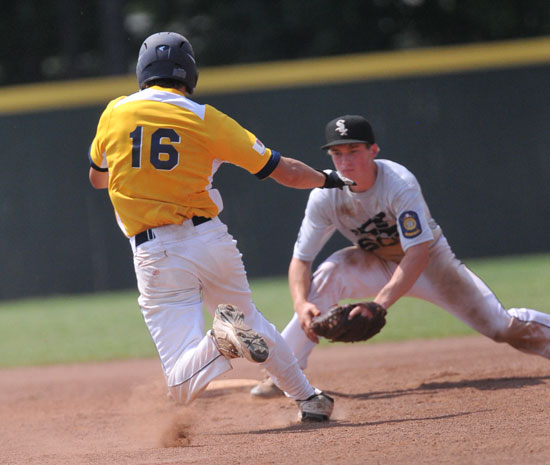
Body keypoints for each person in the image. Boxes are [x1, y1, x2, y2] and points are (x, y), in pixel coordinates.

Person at [87, 32, 353, 422]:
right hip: (210, 240)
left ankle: (220, 340)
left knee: (181, 385)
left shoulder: (114, 112)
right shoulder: (206, 119)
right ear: (189, 73)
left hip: (157, 254)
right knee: (252, 320)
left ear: (143, 72)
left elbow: (97, 178)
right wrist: (328, 178)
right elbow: (287, 172)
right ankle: (308, 398)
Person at [250, 114, 550, 398]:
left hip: (431, 265)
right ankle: (284, 374)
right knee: (331, 273)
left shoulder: (398, 183)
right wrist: (301, 304)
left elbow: (418, 253)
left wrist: (378, 305)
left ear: (373, 150)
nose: (345, 160)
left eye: (353, 150)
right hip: (376, 262)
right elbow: (301, 260)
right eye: (337, 153)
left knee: (501, 328)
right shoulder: (325, 194)